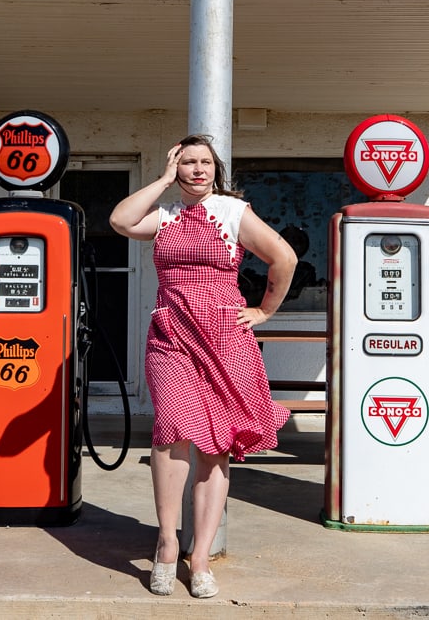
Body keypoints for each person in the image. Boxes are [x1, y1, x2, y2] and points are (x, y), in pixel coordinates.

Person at [109, 135, 297, 599]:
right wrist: (161, 179)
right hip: (171, 337)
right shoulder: (165, 215)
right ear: (177, 168)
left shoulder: (233, 212)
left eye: (205, 162)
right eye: (188, 162)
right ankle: (168, 544)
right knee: (170, 432)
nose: (197, 169)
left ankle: (200, 557)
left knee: (215, 445)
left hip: (225, 339)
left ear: (216, 169)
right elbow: (119, 220)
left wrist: (265, 311)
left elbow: (284, 258)